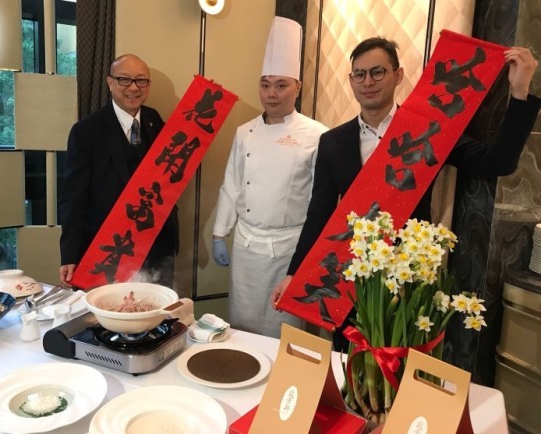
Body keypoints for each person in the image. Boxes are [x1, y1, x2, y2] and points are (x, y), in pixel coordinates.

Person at [271, 37, 541, 350]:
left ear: (398, 75)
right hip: (350, 275)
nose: (367, 82)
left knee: (400, 359)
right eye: (359, 74)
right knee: (348, 358)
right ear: (351, 80)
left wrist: (519, 92)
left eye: (377, 72)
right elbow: (319, 213)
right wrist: (294, 274)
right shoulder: (333, 141)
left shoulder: (428, 132)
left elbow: (498, 162)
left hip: (407, 273)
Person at [212, 17, 329, 338]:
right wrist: (220, 233)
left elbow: (321, 201)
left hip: (289, 249)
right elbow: (232, 184)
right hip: (247, 247)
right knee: (243, 322)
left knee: (284, 327)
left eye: (281, 85)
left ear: (297, 88)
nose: (271, 94)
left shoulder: (318, 135)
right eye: (265, 85)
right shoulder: (245, 132)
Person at [59, 54, 179, 289]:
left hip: (157, 244)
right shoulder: (86, 131)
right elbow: (73, 198)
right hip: (110, 248)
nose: (133, 88)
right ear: (110, 82)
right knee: (110, 308)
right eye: (124, 79)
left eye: (141, 80)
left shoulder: (155, 120)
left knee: (157, 306)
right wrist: (70, 254)